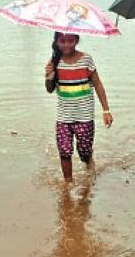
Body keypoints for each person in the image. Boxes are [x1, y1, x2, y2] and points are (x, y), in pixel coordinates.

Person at [45, 32, 113, 181]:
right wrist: (49, 76)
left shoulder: (86, 59)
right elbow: (50, 89)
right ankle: (68, 184)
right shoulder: (54, 62)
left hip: (84, 116)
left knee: (84, 152)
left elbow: (97, 83)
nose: (66, 44)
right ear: (56, 42)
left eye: (70, 40)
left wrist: (106, 110)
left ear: (76, 40)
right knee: (64, 151)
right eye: (62, 41)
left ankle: (89, 164)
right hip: (64, 117)